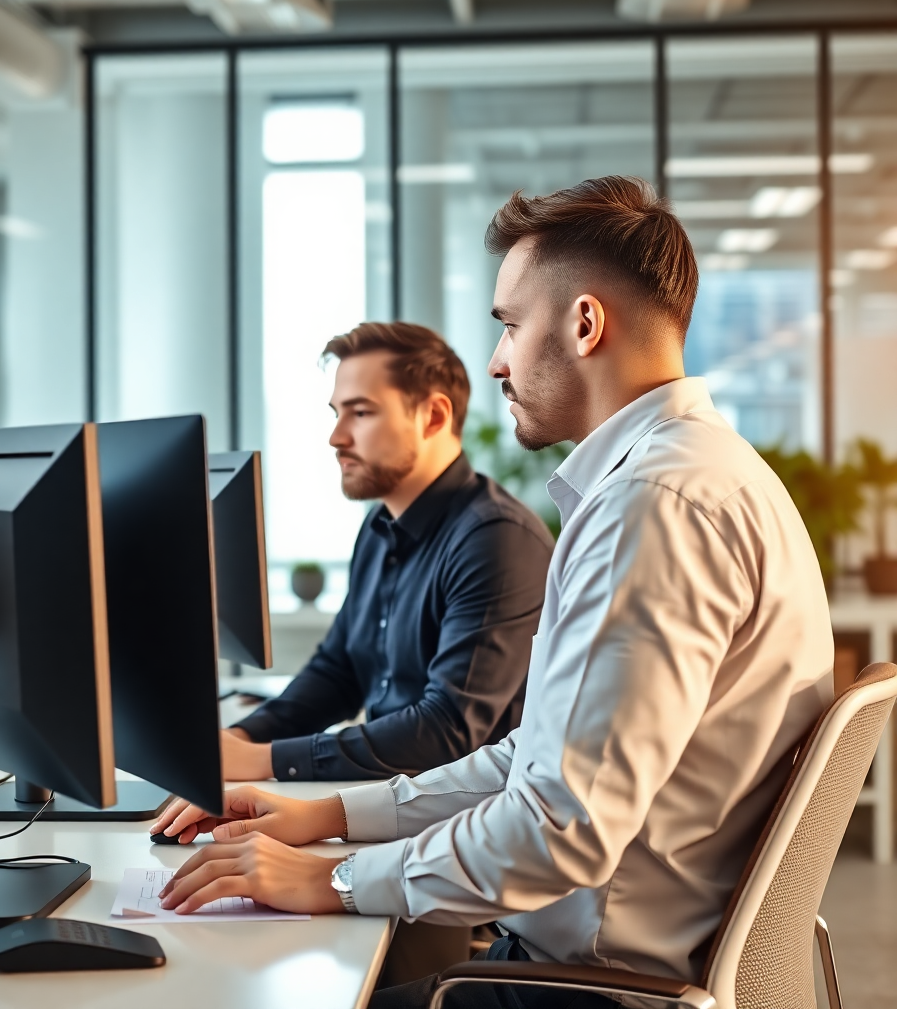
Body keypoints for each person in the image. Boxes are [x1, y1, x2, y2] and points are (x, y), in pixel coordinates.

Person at [151, 177, 833, 1009]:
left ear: (585, 324)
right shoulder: (684, 479)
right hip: (581, 960)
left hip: (591, 987)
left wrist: (330, 880)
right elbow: (532, 763)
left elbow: (560, 828)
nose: (499, 361)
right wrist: (325, 815)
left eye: (510, 324)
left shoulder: (655, 507)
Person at [155, 321, 553, 813]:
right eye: (336, 413)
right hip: (387, 801)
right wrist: (236, 740)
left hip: (456, 820)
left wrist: (265, 760)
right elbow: (338, 671)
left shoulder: (496, 539)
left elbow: (447, 730)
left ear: (433, 416)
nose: (336, 437)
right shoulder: (380, 526)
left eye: (360, 413)